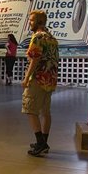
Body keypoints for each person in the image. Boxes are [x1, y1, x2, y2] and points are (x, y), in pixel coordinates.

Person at [21, 10, 59, 157]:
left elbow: (35, 59)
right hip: (49, 80)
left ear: (39, 22)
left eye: (31, 20)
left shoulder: (37, 37)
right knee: (45, 112)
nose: (29, 22)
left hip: (38, 79)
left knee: (30, 109)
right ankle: (44, 142)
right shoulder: (52, 38)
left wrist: (26, 78)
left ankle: (41, 143)